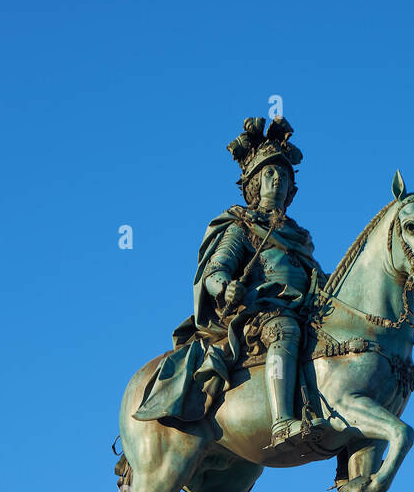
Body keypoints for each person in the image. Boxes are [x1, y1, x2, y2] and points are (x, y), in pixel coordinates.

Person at [134, 116, 326, 447]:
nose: (277, 179)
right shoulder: (241, 226)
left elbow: (317, 278)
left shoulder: (300, 237)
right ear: (254, 183)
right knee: (285, 330)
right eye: (269, 173)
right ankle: (282, 423)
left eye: (283, 174)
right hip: (262, 310)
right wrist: (226, 287)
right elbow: (214, 272)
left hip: (304, 309)